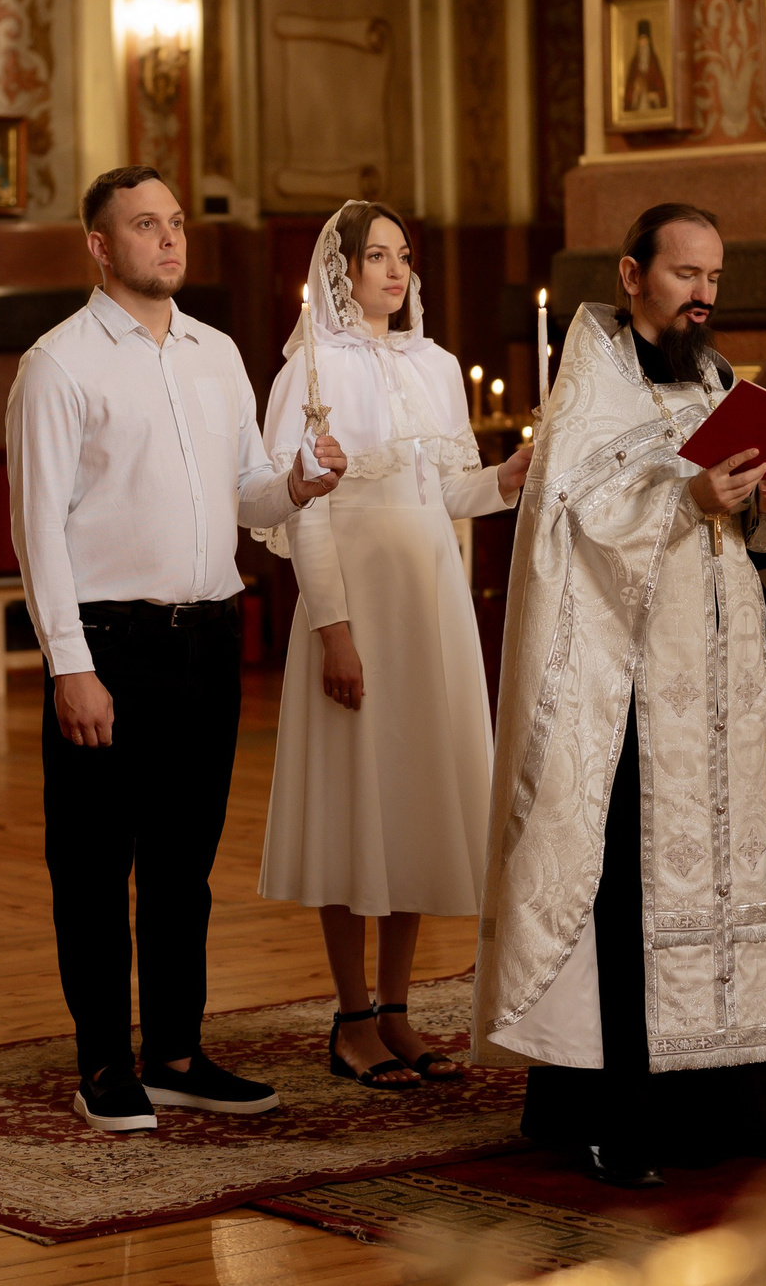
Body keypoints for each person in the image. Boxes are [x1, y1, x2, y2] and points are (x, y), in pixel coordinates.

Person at [473, 201, 766, 1188]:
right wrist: (685, 496)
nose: (702, 295)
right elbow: (572, 523)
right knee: (627, 901)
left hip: (731, 693)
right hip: (634, 693)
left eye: (714, 277)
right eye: (685, 274)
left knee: (749, 891)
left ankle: (746, 1103)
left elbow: (749, 545)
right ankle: (616, 1117)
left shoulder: (717, 380)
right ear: (632, 275)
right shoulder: (590, 389)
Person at [7, 166, 349, 1135]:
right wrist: (70, 664)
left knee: (181, 864)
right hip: (109, 642)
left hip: (208, 634)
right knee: (92, 864)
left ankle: (175, 1053)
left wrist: (297, 484)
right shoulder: (59, 364)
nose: (168, 239)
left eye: (175, 222)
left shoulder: (216, 352)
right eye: (144, 224)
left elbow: (246, 490)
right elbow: (37, 528)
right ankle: (104, 1063)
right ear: (99, 245)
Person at [255, 202, 533, 1090]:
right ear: (340, 270)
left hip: (427, 609)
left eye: (404, 255)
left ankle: (398, 1008)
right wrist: (333, 629)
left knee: (410, 797)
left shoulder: (437, 366)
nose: (395, 270)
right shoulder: (309, 369)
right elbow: (304, 512)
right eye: (376, 255)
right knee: (354, 801)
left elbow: (447, 492)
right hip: (356, 609)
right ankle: (350, 1016)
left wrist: (505, 480)